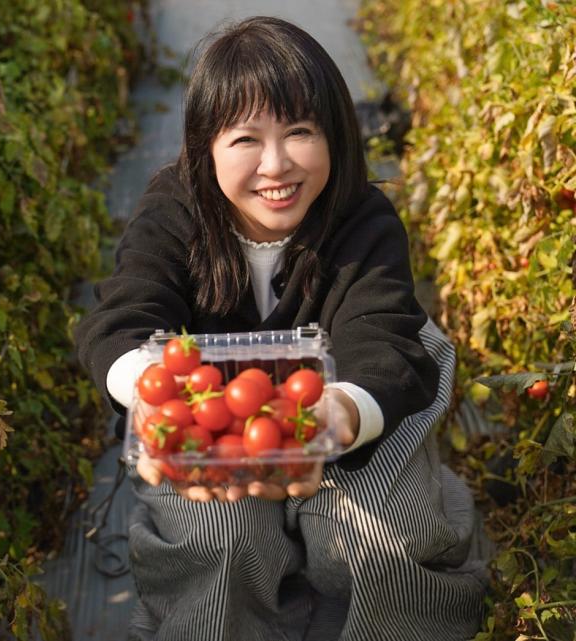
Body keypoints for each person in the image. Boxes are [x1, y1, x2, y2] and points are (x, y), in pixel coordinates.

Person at [73, 16, 487, 641]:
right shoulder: (174, 211)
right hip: (219, 418)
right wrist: (159, 397)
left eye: (300, 132)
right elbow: (123, 318)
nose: (276, 164)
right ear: (204, 147)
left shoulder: (362, 219)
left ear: (336, 138)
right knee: (219, 540)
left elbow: (381, 339)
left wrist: (340, 414)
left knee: (377, 542)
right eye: (245, 139)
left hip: (350, 393)